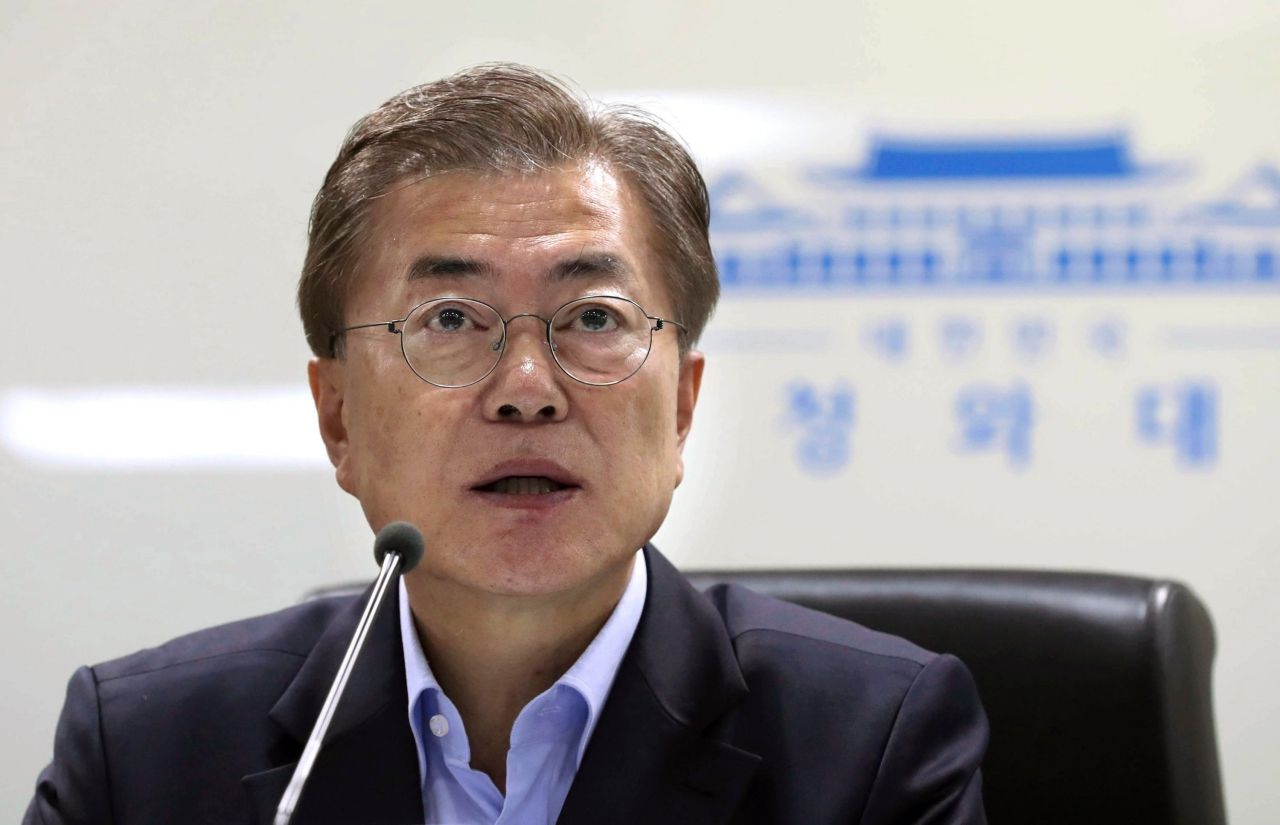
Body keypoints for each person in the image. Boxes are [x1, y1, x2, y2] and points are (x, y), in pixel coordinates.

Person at [25, 64, 988, 824]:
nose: (528, 389)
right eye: (449, 318)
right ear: (339, 418)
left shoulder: (872, 748)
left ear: (682, 407)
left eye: (594, 317)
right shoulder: (142, 756)